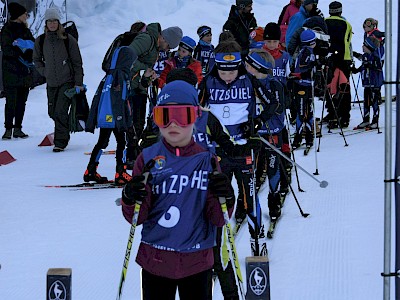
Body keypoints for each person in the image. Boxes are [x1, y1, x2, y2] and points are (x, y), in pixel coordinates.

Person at [121, 80, 234, 300]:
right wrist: (130, 197)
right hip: (156, 260)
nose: (173, 124)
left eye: (182, 116)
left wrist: (226, 197)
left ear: (196, 117)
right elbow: (137, 216)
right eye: (164, 116)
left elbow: (218, 219)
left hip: (197, 261)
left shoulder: (207, 160)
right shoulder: (148, 158)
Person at [125, 24, 183, 169]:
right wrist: (146, 70)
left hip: (140, 87)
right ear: (163, 38)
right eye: (168, 46)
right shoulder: (147, 39)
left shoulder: (156, 47)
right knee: (129, 122)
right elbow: (127, 56)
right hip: (128, 87)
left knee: (138, 123)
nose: (167, 50)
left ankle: (135, 155)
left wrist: (149, 76)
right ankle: (129, 156)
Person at [83, 47, 138, 185]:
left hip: (105, 115)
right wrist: (126, 121)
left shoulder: (108, 75)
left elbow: (98, 98)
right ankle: (121, 172)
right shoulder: (121, 76)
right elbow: (123, 100)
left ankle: (90, 170)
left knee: (102, 142)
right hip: (116, 117)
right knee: (122, 143)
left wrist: (95, 117)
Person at [33, 7, 84, 152]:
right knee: (52, 112)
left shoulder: (68, 40)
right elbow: (36, 60)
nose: (52, 24)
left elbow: (77, 62)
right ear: (46, 23)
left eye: (55, 21)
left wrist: (78, 83)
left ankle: (60, 142)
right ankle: (67, 128)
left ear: (59, 22)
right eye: (49, 21)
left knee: (60, 111)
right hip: (51, 83)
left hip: (66, 81)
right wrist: (45, 72)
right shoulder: (41, 40)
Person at [244, 48, 285, 220]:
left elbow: (279, 110)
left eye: (248, 65)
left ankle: (274, 199)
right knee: (248, 168)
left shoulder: (274, 84)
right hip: (253, 133)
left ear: (257, 68)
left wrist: (264, 117)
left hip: (271, 132)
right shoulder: (245, 83)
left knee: (273, 166)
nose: (244, 67)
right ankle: (245, 201)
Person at [262, 22, 293, 197]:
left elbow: (289, 77)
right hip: (263, 100)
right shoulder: (260, 55)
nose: (271, 44)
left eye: (274, 41)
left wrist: (288, 95)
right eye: (268, 41)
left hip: (279, 102)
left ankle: (284, 155)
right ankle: (262, 163)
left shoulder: (284, 57)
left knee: (279, 129)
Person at [1, 2, 34, 140]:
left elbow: (34, 45)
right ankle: (8, 128)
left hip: (24, 71)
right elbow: (6, 49)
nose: (27, 16)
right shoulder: (6, 30)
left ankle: (18, 128)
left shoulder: (26, 30)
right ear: (18, 15)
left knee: (22, 101)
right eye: (24, 13)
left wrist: (28, 53)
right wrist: (19, 53)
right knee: (11, 101)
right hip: (11, 70)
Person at [324, 1, 353, 128]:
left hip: (329, 59)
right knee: (344, 87)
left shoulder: (324, 22)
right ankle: (344, 116)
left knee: (330, 87)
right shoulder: (346, 24)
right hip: (344, 59)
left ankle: (332, 114)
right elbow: (348, 42)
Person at [291, 29, 317, 150]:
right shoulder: (306, 51)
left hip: (307, 84)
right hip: (302, 85)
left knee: (308, 110)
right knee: (302, 111)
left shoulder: (307, 51)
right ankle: (300, 136)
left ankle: (308, 136)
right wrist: (312, 66)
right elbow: (301, 68)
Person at [352, 37, 383, 130]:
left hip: (374, 83)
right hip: (366, 83)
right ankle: (366, 119)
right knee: (366, 102)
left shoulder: (375, 56)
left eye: (364, 45)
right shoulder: (365, 55)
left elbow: (379, 67)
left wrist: (370, 65)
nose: (362, 47)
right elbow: (363, 66)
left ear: (369, 47)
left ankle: (375, 121)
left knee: (374, 102)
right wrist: (356, 70)